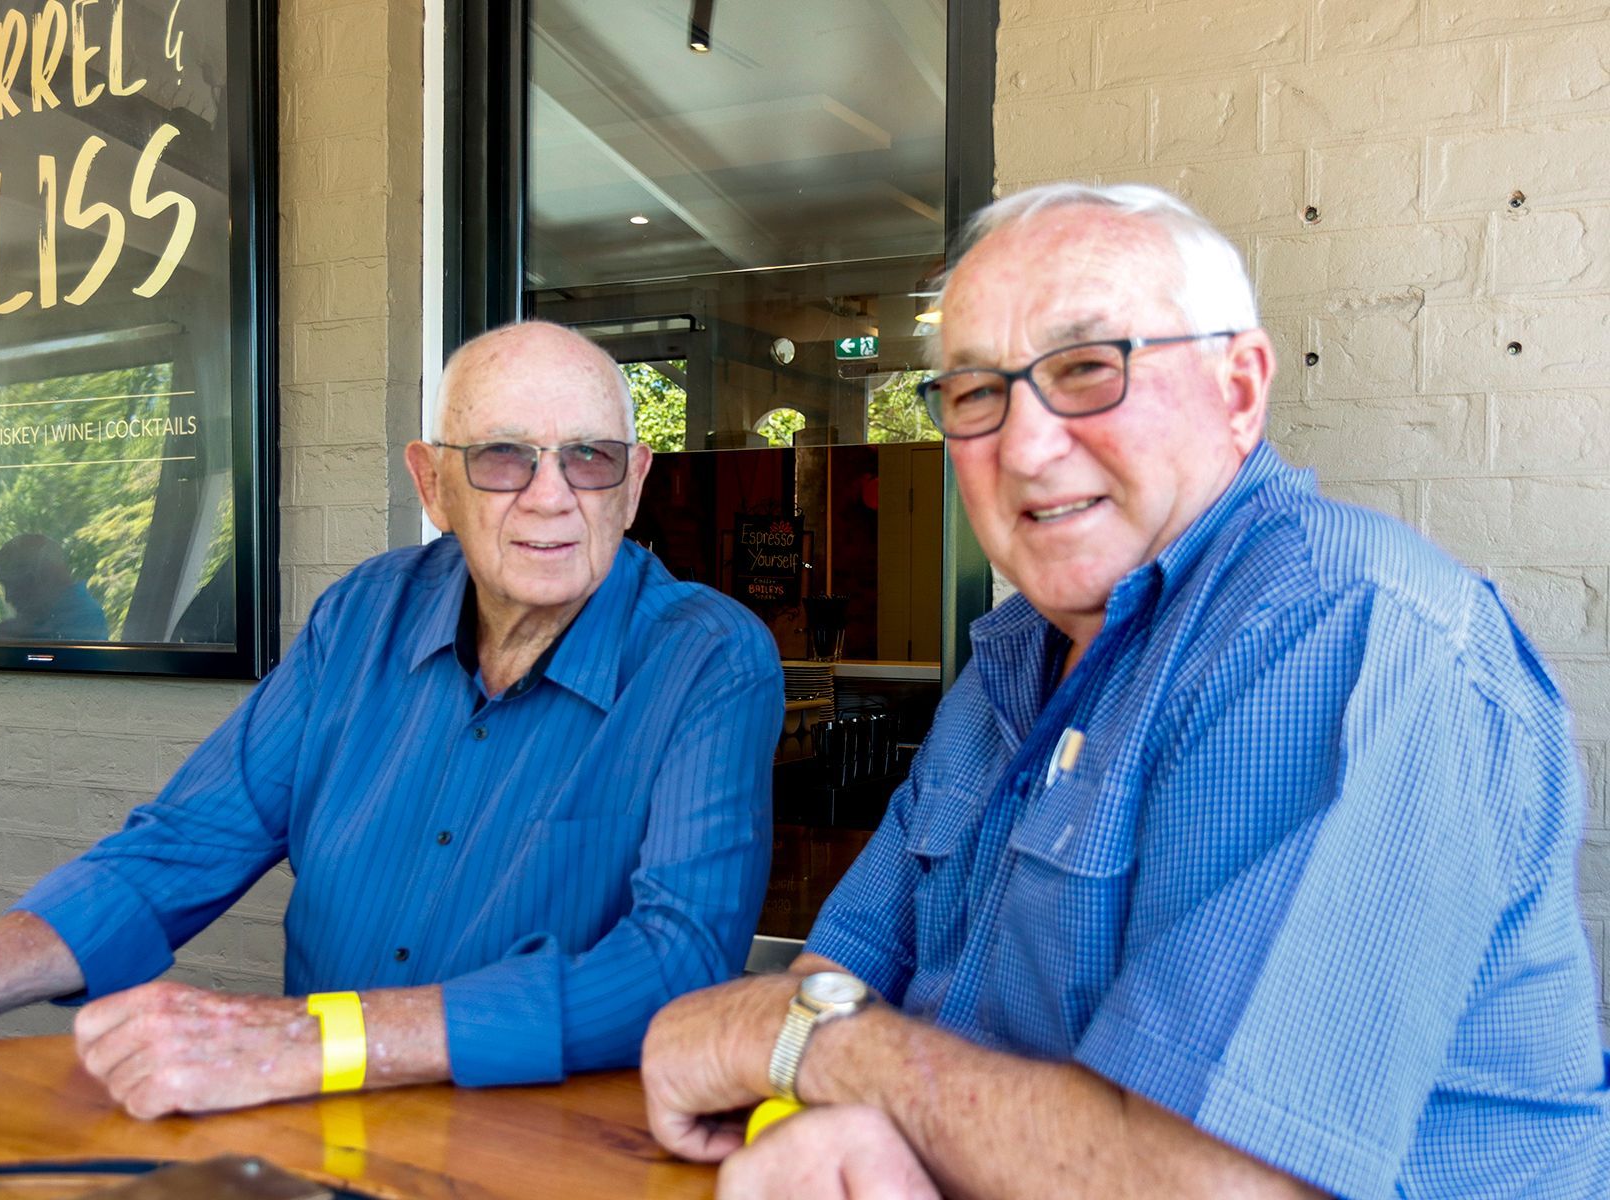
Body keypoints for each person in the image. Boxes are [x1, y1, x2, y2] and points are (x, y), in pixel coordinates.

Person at [640, 184, 1610, 1198]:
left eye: (1088, 369)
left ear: (1239, 389)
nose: (1022, 446)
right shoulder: (1010, 661)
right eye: (975, 394)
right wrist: (830, 1107)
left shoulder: (1343, 632)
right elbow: (838, 974)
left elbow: (1210, 1183)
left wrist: (805, 1052)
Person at [0, 321, 783, 1117]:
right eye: (500, 459)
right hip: (328, 1133)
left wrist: (318, 1039)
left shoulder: (708, 657)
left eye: (590, 459)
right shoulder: (360, 618)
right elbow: (177, 852)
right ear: (431, 483)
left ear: (637, 480)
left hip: (555, 1145)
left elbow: (678, 961)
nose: (551, 497)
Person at [0, 533, 109, 641]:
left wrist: (5, 641)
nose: (8, 597)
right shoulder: (56, 612)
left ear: (45, 577)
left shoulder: (83, 615)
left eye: (14, 585)